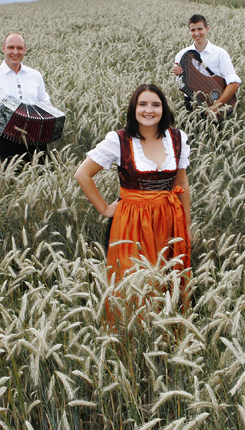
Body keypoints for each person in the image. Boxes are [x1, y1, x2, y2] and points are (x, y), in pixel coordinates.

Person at [75, 84, 192, 301]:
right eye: (143, 104)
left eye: (156, 104)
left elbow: (181, 182)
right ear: (133, 109)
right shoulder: (118, 140)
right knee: (133, 282)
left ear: (164, 109)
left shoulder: (177, 138)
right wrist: (104, 208)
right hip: (131, 222)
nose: (149, 110)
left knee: (168, 281)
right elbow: (83, 173)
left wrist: (186, 226)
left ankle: (166, 332)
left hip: (169, 220)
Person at [0, 32, 53, 163]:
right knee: (11, 181)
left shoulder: (35, 75)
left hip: (36, 138)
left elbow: (46, 105)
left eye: (19, 48)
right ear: (3, 48)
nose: (15, 52)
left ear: (25, 50)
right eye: (11, 47)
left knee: (41, 176)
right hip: (6, 140)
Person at [172, 14, 241, 115]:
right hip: (192, 105)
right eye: (193, 30)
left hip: (220, 106)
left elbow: (234, 84)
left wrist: (216, 107)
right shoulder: (182, 54)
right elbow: (181, 85)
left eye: (200, 29)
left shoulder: (220, 54)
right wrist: (179, 75)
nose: (196, 33)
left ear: (207, 29)